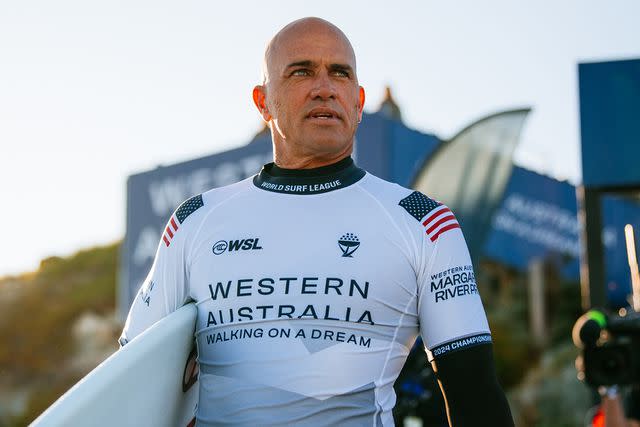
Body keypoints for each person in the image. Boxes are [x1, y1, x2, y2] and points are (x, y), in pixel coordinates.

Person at [120, 17, 514, 426]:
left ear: (359, 102)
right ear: (262, 102)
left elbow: (476, 395)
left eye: (339, 73)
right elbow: (129, 383)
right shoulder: (195, 220)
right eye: (301, 71)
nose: (325, 88)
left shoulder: (424, 223)